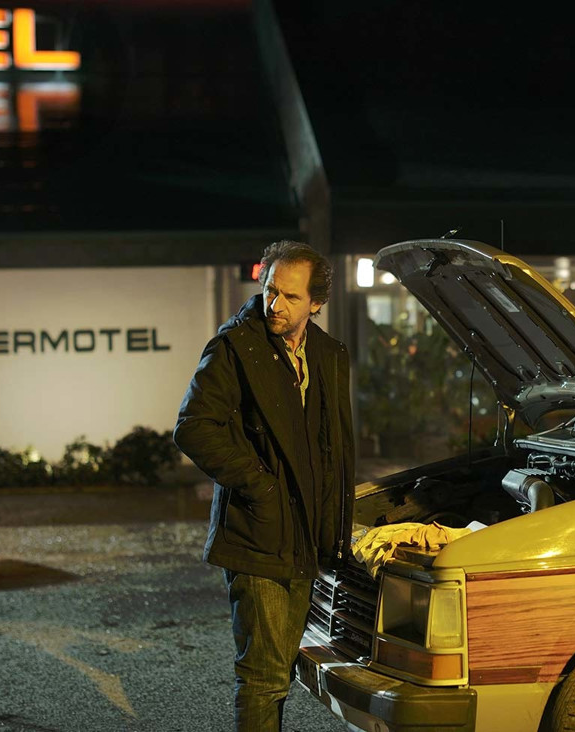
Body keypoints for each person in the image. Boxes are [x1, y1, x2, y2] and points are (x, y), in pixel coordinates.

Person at [174, 240, 354, 731]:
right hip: (257, 534)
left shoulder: (328, 354)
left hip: (307, 539)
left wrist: (337, 528)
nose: (275, 304)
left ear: (316, 303)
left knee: (282, 673)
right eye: (271, 290)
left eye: (291, 296)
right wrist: (261, 486)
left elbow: (334, 448)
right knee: (263, 678)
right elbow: (193, 428)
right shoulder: (237, 347)